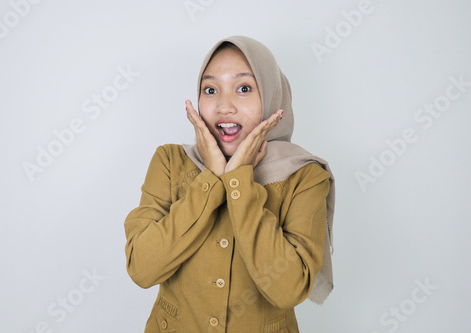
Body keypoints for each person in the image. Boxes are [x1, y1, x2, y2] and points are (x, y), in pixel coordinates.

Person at [124, 35, 336, 332]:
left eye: (244, 88)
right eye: (210, 90)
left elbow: (288, 290)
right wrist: (211, 179)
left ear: (272, 96)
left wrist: (237, 181)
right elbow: (142, 268)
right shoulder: (169, 161)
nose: (224, 106)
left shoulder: (306, 176)